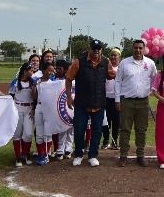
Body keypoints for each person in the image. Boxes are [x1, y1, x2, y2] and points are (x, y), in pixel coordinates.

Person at [64, 40, 114, 168]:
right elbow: (68, 79)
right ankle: (79, 155)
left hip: (99, 103)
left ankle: (92, 155)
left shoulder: (106, 62)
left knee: (97, 131)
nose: (96, 50)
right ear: (89, 49)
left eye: (98, 48)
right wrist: (69, 97)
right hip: (81, 104)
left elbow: (112, 75)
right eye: (94, 48)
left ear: (101, 50)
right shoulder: (79, 62)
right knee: (79, 130)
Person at [115, 40, 156, 168]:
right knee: (125, 129)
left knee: (141, 130)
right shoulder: (124, 63)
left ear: (144, 49)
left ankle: (140, 155)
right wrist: (117, 100)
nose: (138, 50)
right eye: (135, 48)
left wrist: (148, 91)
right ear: (132, 49)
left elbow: (154, 79)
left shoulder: (150, 63)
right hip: (127, 101)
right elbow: (117, 81)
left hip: (143, 102)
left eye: (140, 48)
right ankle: (123, 156)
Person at [32, 60, 66, 165]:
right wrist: (34, 87)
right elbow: (34, 97)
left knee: (48, 133)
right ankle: (40, 154)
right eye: (49, 70)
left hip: (49, 109)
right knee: (39, 133)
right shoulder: (37, 81)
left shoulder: (53, 83)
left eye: (52, 70)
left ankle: (46, 155)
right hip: (39, 107)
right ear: (43, 70)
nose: (51, 72)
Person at [9, 65, 37, 166]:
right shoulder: (15, 82)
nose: (32, 72)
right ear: (25, 71)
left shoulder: (33, 82)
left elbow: (35, 98)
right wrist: (12, 111)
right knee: (17, 134)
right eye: (30, 70)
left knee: (28, 134)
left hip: (29, 109)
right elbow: (11, 97)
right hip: (18, 109)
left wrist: (34, 108)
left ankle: (25, 154)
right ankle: (18, 157)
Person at [101, 47, 122, 152]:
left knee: (116, 121)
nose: (113, 57)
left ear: (119, 57)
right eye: (112, 55)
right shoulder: (106, 68)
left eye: (115, 55)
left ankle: (115, 141)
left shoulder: (121, 69)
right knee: (106, 121)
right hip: (106, 98)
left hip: (117, 99)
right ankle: (105, 141)